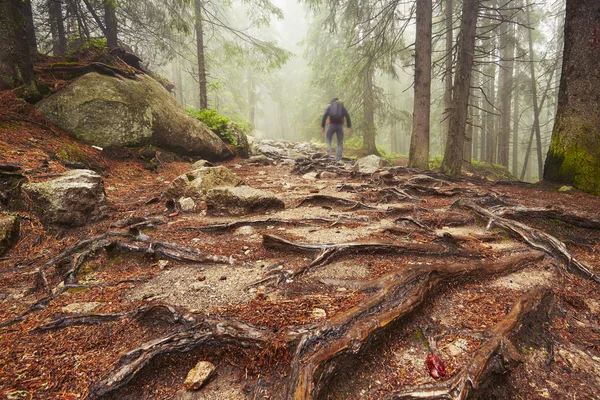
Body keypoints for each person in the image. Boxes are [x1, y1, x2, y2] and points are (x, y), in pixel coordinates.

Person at [321, 97, 351, 162]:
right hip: (340, 126)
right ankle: (338, 159)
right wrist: (349, 127)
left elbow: (324, 116)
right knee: (340, 143)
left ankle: (328, 149)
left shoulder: (330, 106)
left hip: (331, 125)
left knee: (328, 139)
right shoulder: (342, 107)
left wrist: (323, 127)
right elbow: (347, 116)